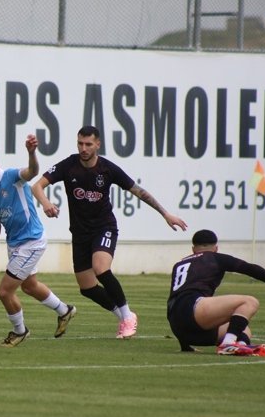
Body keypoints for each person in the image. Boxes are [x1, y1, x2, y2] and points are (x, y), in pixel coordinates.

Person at [32, 125, 187, 339]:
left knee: (101, 268)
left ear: (98, 144)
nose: (83, 148)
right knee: (87, 288)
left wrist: (165, 213)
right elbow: (37, 186)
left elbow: (139, 192)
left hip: (104, 227)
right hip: (79, 233)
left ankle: (127, 317)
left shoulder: (107, 169)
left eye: (88, 144)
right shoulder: (69, 165)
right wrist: (46, 203)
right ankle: (124, 315)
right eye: (80, 143)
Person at [0, 134, 77, 347]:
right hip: (16, 244)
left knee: (4, 291)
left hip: (31, 241)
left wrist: (31, 153)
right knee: (29, 286)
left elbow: (32, 172)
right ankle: (65, 311)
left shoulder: (11, 176)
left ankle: (20, 331)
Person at [166, 229, 265, 356]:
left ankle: (240, 345)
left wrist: (185, 346)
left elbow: (176, 301)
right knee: (249, 301)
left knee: (242, 327)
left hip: (180, 328)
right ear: (216, 248)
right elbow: (250, 269)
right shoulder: (216, 258)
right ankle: (228, 343)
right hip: (196, 310)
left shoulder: (179, 264)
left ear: (193, 249)